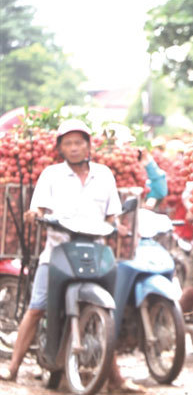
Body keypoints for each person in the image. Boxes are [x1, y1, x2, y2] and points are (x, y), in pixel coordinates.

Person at [0, 119, 146, 393]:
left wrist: (119, 223)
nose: (74, 148)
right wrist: (36, 215)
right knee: (37, 307)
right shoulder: (51, 174)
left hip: (94, 249)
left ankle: (115, 378)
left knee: (108, 311)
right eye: (68, 143)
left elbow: (112, 212)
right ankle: (13, 367)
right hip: (57, 252)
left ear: (89, 145)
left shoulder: (103, 175)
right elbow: (40, 209)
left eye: (79, 142)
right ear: (61, 148)